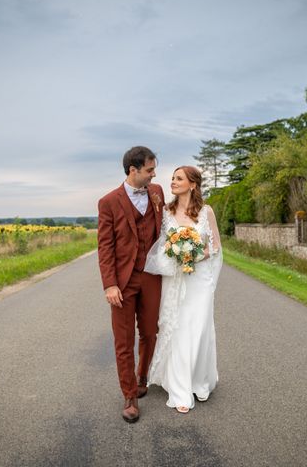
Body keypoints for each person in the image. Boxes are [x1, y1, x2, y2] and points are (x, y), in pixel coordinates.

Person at [144, 165, 222, 413]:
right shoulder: (166, 212)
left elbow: (216, 247)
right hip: (175, 279)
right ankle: (179, 388)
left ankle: (199, 381)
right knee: (177, 328)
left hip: (199, 280)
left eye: (179, 178)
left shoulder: (206, 211)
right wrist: (177, 255)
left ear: (193, 184)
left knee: (198, 329)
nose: (173, 182)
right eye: (172, 178)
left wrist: (194, 254)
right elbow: (161, 246)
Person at [97, 146, 166, 423]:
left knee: (150, 332)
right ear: (133, 170)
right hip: (123, 283)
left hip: (151, 276)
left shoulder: (157, 192)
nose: (154, 173)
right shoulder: (108, 202)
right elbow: (105, 247)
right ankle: (129, 395)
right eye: (150, 169)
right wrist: (110, 284)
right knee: (123, 341)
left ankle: (142, 376)